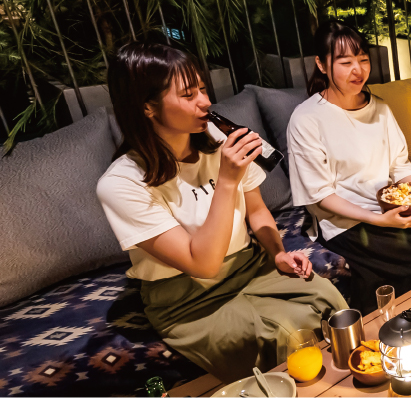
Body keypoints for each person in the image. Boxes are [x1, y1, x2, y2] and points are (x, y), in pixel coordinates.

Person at [96, 40, 347, 381]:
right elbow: (203, 264)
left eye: (202, 88)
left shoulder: (214, 138)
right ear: (147, 108)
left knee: (328, 298)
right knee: (285, 335)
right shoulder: (122, 183)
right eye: (188, 95)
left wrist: (277, 253)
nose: (205, 102)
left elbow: (257, 212)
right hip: (188, 298)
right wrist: (227, 181)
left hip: (249, 266)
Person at [285, 20, 411, 313]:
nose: (358, 70)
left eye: (363, 59)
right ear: (322, 65)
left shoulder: (379, 108)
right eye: (345, 61)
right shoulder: (306, 119)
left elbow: (401, 169)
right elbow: (320, 196)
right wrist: (379, 220)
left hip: (392, 209)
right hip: (348, 225)